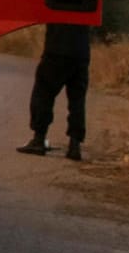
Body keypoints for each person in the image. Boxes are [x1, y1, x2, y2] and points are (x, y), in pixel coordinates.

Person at [17, 22, 92, 161]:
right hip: (81, 52)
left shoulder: (56, 0)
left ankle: (39, 139)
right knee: (77, 100)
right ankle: (75, 144)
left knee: (43, 93)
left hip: (56, 49)